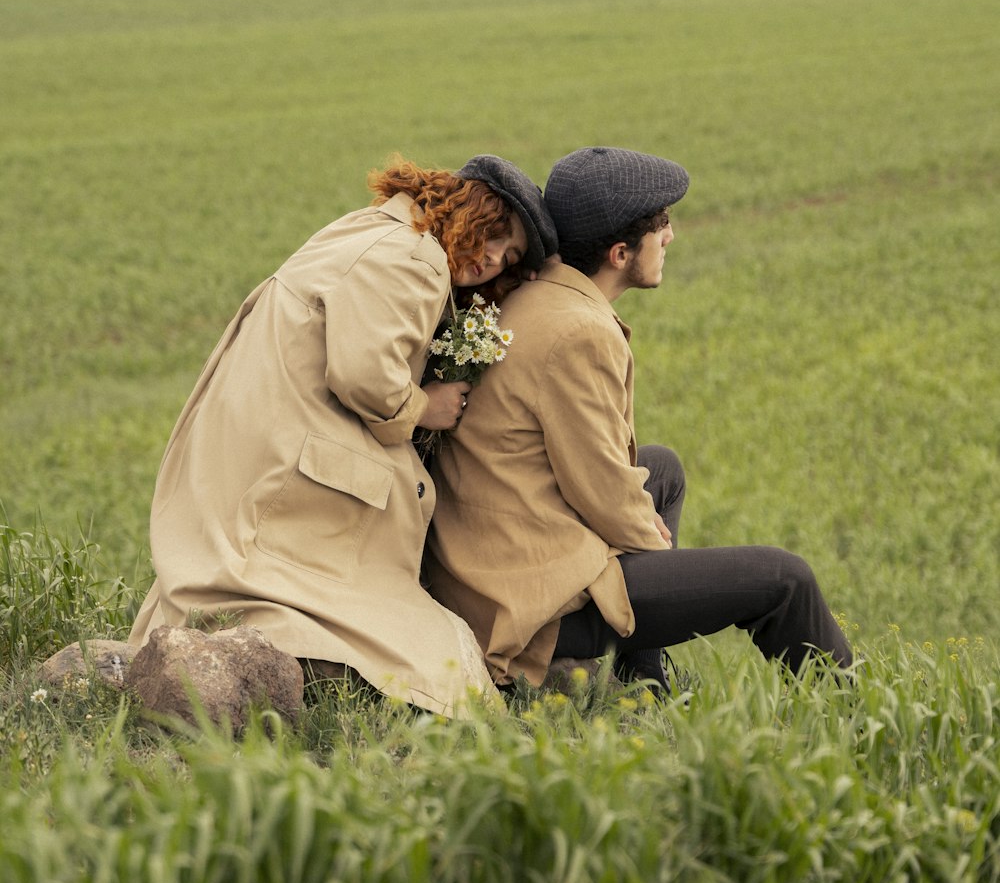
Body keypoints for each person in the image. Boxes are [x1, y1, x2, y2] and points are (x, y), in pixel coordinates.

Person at [129, 153, 557, 716]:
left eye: (511, 255)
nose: (496, 258)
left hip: (255, 440)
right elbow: (364, 376)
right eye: (498, 234)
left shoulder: (375, 228)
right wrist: (425, 406)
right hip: (289, 464)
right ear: (468, 211)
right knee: (429, 650)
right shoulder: (416, 257)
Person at [425, 146, 853, 691]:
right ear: (621, 253)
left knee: (661, 470)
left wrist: (639, 530)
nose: (671, 237)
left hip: (492, 547)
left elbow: (597, 477)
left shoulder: (536, 296)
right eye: (662, 226)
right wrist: (653, 552)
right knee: (784, 579)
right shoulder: (577, 332)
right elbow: (602, 491)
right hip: (523, 602)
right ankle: (865, 726)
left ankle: (644, 680)